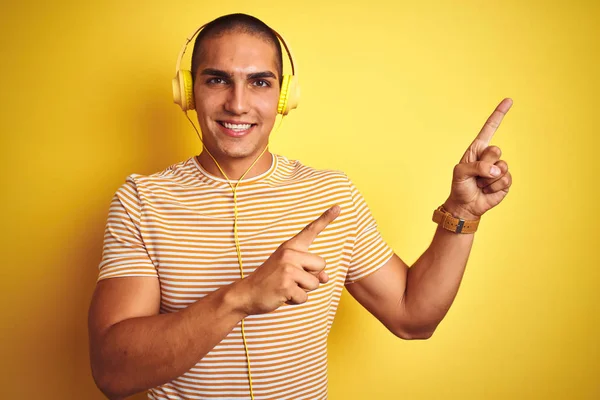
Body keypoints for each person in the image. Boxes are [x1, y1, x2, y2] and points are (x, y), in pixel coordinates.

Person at [87, 13, 513, 400]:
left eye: (259, 82)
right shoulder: (142, 199)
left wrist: (463, 213)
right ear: (188, 91)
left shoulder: (331, 194)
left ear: (284, 96)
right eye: (217, 80)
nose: (238, 103)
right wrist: (243, 297)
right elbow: (112, 372)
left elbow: (413, 318)